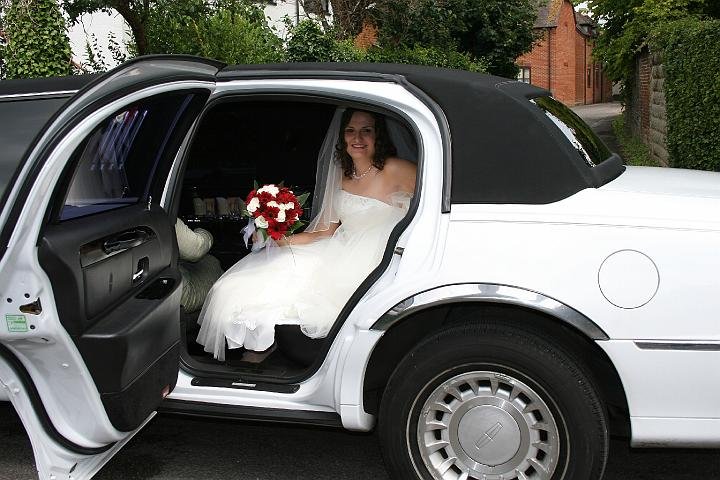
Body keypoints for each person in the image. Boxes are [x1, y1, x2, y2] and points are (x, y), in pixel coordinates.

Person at [195, 108, 417, 361]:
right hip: (340, 248)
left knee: (320, 296)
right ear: (342, 137)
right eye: (350, 130)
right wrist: (279, 240)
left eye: (366, 130)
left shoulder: (396, 169)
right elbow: (325, 231)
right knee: (257, 278)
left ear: (379, 136)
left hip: (382, 254)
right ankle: (266, 345)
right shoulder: (342, 176)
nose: (358, 138)